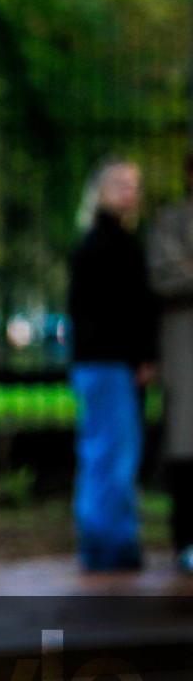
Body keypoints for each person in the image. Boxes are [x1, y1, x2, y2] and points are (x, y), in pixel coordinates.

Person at [68, 159, 155, 574]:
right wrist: (140, 355)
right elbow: (121, 311)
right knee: (110, 455)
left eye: (134, 184)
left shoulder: (112, 240)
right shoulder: (107, 244)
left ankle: (109, 541)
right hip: (108, 363)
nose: (129, 191)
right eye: (120, 183)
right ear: (100, 190)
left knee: (107, 454)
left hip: (105, 362)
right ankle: (108, 545)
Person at [146, 151, 193, 575]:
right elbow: (165, 273)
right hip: (185, 350)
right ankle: (186, 540)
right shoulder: (172, 221)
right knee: (185, 444)